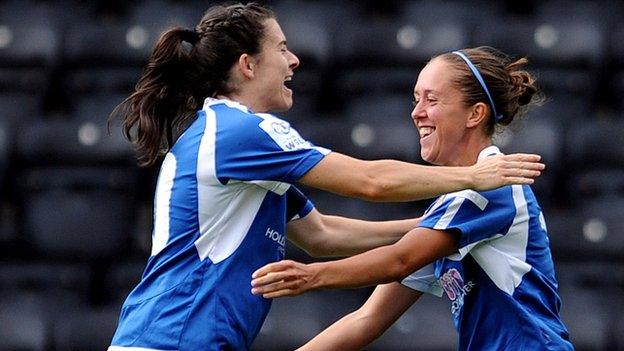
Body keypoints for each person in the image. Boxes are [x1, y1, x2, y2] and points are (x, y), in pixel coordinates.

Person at [107, 2, 544, 350]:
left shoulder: (239, 149)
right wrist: (473, 178)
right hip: (177, 337)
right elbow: (371, 182)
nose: (294, 59)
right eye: (280, 48)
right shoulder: (245, 131)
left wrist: (431, 225)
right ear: (248, 65)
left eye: (430, 99)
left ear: (476, 113)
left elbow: (322, 236)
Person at [251, 46, 572, 350]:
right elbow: (367, 318)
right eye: (416, 99)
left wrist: (311, 276)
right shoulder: (453, 206)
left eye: (431, 100)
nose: (417, 113)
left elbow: (398, 260)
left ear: (475, 114)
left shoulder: (492, 190)